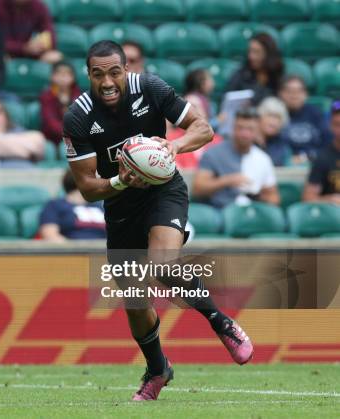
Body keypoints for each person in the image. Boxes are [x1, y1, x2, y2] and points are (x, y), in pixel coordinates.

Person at [63, 40, 253, 401]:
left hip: (164, 190)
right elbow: (87, 186)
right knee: (135, 300)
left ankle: (221, 323)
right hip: (119, 205)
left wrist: (175, 146)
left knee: (163, 266)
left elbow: (204, 128)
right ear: (88, 75)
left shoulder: (150, 88)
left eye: (114, 72)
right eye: (98, 74)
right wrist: (120, 180)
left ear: (126, 70)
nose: (107, 81)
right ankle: (158, 370)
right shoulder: (78, 116)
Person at [193, 108, 280, 208]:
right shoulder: (213, 153)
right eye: (240, 128)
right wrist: (227, 181)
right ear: (233, 128)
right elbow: (198, 189)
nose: (245, 134)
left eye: (250, 129)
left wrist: (258, 196)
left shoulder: (263, 159)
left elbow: (274, 197)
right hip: (220, 210)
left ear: (257, 131)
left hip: (251, 211)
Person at [0, 0, 62, 64]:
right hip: (6, 52)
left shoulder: (38, 6)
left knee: (54, 57)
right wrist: (23, 48)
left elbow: (50, 34)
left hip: (30, 53)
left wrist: (40, 45)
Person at [39, 170, 105, 241]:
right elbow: (50, 235)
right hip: (72, 250)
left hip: (106, 249)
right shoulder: (55, 205)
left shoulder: (99, 206)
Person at [278, 75, 331, 164]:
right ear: (281, 93)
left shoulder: (316, 114)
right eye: (289, 91)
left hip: (314, 163)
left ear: (305, 94)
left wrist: (306, 157)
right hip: (283, 165)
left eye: (298, 91)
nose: (294, 95)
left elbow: (328, 145)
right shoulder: (275, 114)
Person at [225, 33, 284, 106]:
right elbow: (228, 103)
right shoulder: (240, 75)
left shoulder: (278, 76)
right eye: (250, 51)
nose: (251, 56)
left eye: (257, 52)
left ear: (268, 54)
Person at [303, 101, 340, 204]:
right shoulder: (323, 158)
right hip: (333, 214)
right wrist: (331, 200)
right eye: (337, 124)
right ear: (330, 126)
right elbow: (308, 198)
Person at [40, 61, 81, 144]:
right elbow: (50, 122)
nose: (62, 77)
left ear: (73, 77)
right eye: (59, 73)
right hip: (52, 138)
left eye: (66, 74)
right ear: (52, 76)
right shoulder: (46, 96)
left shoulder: (79, 96)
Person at [256, 97, 291, 167]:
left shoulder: (280, 143)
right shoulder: (248, 138)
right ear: (259, 117)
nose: (273, 122)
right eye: (270, 116)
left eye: (278, 118)